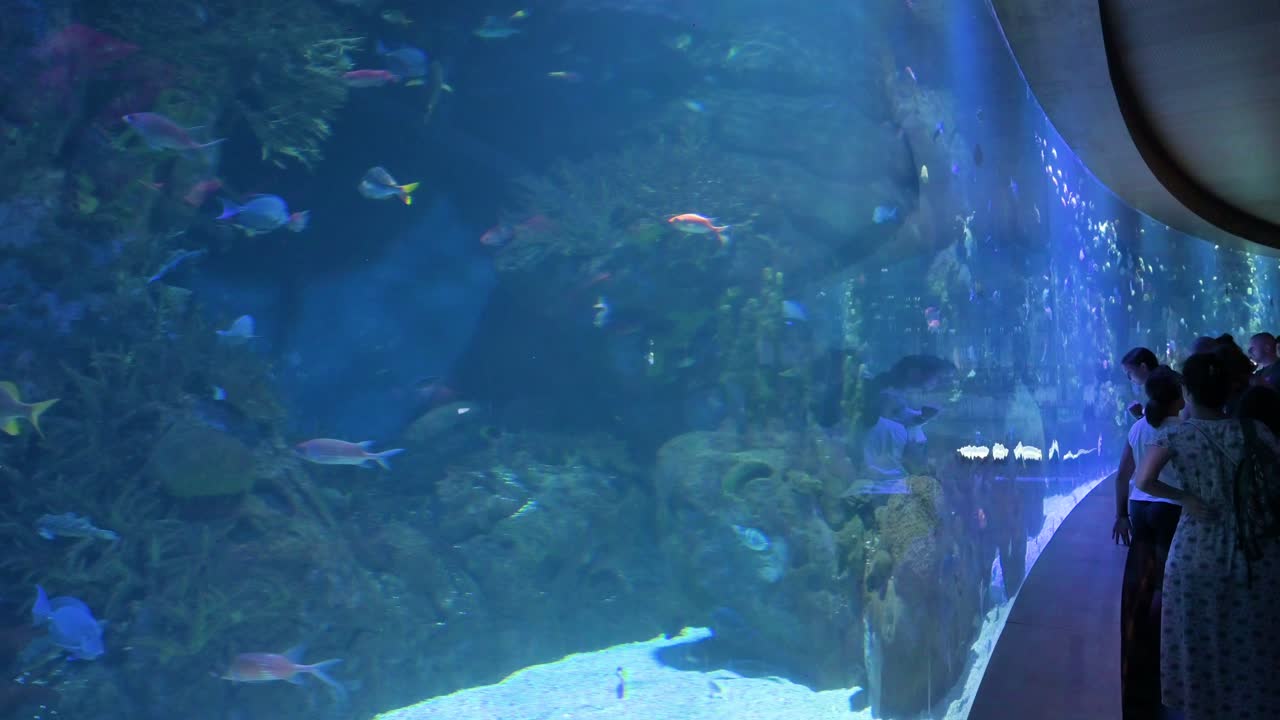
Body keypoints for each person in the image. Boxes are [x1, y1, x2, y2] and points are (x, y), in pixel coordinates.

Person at [1133, 352, 1280, 720]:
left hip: (1197, 551)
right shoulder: (1255, 431)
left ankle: (1204, 709)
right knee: (1253, 640)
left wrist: (1185, 498)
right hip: (1256, 552)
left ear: (1187, 392)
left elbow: (1143, 480)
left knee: (1201, 641)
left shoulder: (1175, 435)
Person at [1112, 367, 1183, 720]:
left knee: (1145, 577)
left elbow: (1123, 474)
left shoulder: (1138, 427)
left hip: (1140, 508)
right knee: (1166, 580)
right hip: (1170, 507)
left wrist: (1121, 514)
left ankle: (1139, 638)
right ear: (1176, 398)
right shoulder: (1181, 428)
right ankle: (1163, 640)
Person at [1121, 347, 1161, 419]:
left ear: (1143, 367)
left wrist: (1140, 416)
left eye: (1129, 373)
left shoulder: (1160, 388)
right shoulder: (1163, 378)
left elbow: (1161, 421)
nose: (1129, 378)